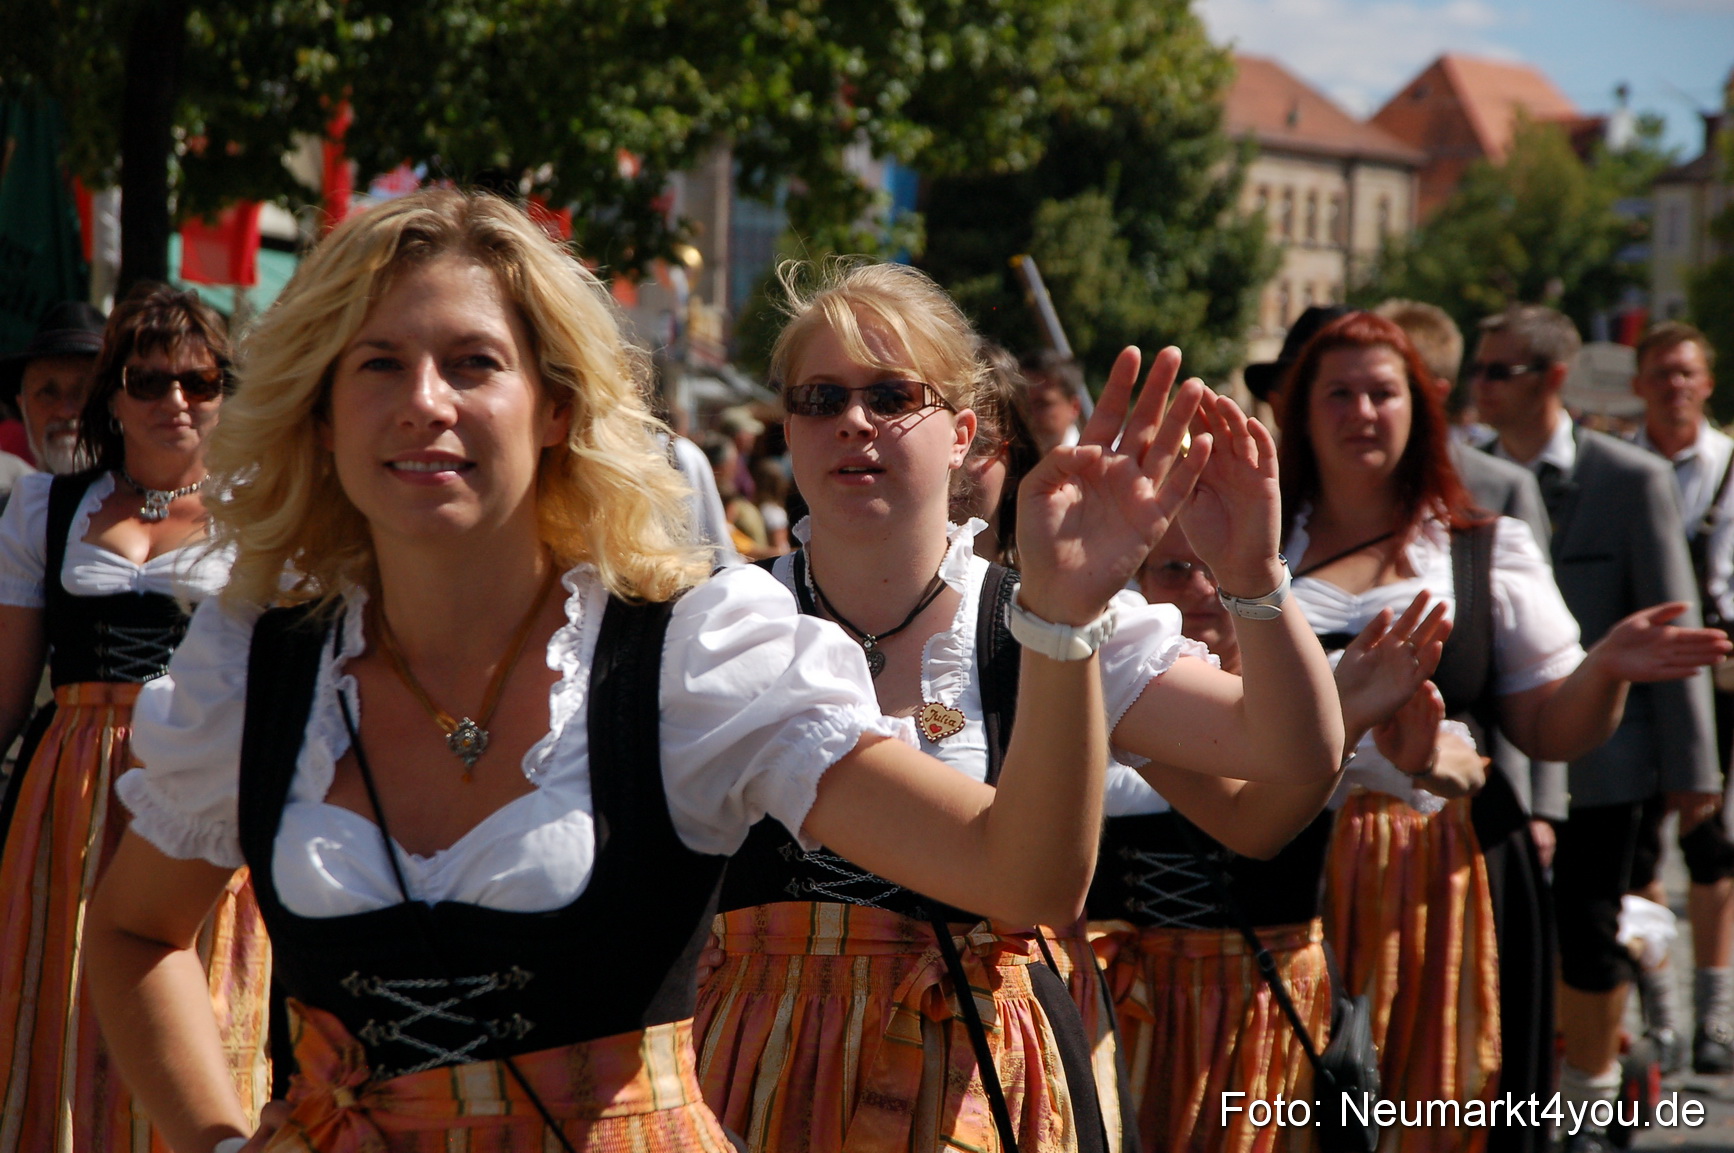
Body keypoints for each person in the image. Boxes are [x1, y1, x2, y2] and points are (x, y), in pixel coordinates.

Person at [81, 189, 1184, 1152]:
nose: (425, 400)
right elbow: (132, 931)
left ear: (555, 406)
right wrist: (215, 1139)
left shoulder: (685, 652)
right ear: (321, 415)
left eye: (474, 363)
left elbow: (1017, 877)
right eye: (378, 363)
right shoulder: (264, 666)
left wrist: (1060, 618)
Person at [695, 259, 1348, 1153]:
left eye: (891, 395)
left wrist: (1252, 575)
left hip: (982, 1081)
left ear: (963, 434)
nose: (853, 420)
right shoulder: (730, 621)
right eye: (819, 398)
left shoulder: (1033, 613)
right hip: (759, 1075)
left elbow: (1288, 750)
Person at [1283, 310, 1726, 1153]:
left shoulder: (1479, 545)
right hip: (1286, 867)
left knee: (1456, 1102)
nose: (1362, 412)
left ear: (1421, 408)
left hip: (1455, 865)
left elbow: (1549, 728)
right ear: (1302, 410)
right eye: (1338, 392)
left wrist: (1605, 670)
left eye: (1383, 392)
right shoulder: (1259, 545)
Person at [0, 284, 270, 1151]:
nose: (175, 400)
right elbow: (8, 691)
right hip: (70, 785)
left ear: (226, 392)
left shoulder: (263, 513)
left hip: (202, 779)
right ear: (113, 397)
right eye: (148, 381)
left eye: (200, 380)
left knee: (202, 989)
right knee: (60, 993)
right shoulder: (45, 508)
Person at [1089, 522, 1458, 1153]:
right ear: (1140, 582)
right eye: (1175, 570)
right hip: (1126, 1003)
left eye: (1217, 570)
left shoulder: (1322, 691)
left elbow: (1464, 766)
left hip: (1265, 1001)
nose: (1202, 589)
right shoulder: (1116, 683)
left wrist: (1422, 759)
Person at [1474, 305, 1723, 1149]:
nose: (1479, 385)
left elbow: (1672, 629)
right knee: (1511, 936)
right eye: (1477, 369)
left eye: (1498, 370)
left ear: (1551, 378)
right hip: (1501, 758)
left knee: (1589, 931)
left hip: (1607, 764)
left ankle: (1588, 1096)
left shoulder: (1628, 479)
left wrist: (1695, 774)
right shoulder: (1463, 476)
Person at [1373, 299, 1563, 1146]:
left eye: (1388, 387)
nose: (1364, 413)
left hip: (1467, 814)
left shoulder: (1495, 496)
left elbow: (1531, 672)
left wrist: (1546, 803)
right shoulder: (1291, 515)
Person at [1624, 320, 1734, 1074]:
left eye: (1686, 373)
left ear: (1707, 382)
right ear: (1639, 384)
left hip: (1719, 670)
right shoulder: (1617, 466)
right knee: (1636, 840)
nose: (1675, 386)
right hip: (1637, 668)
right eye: (1661, 373)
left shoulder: (1729, 465)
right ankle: (1661, 1012)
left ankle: (1714, 1013)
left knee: (1710, 835)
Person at [0, 301, 108, 511]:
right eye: (47, 394)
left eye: (84, 393)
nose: (65, 411)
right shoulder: (9, 518)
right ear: (23, 408)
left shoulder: (158, 512)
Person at [961, 338, 1042, 566]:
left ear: (1016, 463)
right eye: (939, 441)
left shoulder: (1045, 584)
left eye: (978, 443)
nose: (955, 460)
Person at [1020, 348, 1085, 455]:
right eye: (1023, 404)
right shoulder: (1007, 461)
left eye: (1042, 404)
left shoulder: (1092, 461)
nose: (1030, 415)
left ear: (1074, 407)